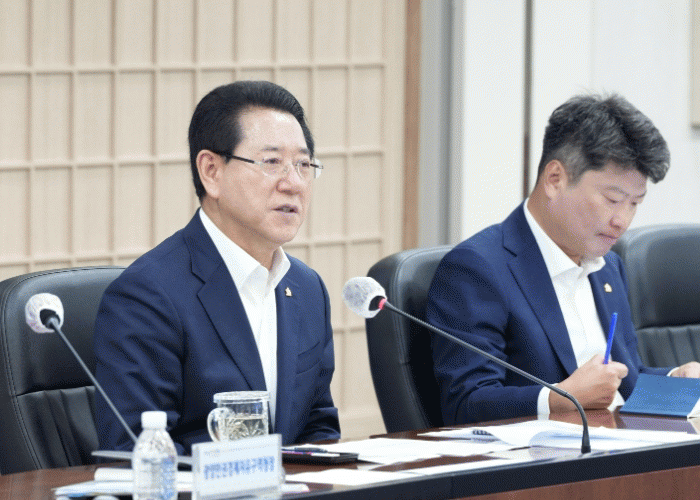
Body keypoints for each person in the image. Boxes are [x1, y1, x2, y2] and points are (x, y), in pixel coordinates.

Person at [94, 81, 340, 454]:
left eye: (303, 165)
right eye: (272, 162)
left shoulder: (306, 289)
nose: (293, 183)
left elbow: (318, 427)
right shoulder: (147, 296)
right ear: (211, 171)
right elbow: (137, 454)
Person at [426, 93, 700, 425]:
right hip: (541, 455)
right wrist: (559, 397)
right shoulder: (477, 269)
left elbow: (621, 385)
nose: (622, 221)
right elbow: (465, 403)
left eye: (634, 204)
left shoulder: (608, 267)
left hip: (619, 446)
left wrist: (675, 381)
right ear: (555, 179)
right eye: (612, 199)